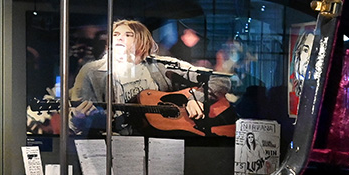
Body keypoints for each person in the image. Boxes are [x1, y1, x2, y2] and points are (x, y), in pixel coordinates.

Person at [69, 19, 231, 135]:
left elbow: (220, 79)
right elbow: (77, 123)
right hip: (114, 146)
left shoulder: (163, 66)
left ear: (142, 40)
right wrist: (78, 118)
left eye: (128, 34)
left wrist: (197, 99)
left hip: (162, 143)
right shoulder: (92, 72)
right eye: (116, 34)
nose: (119, 37)